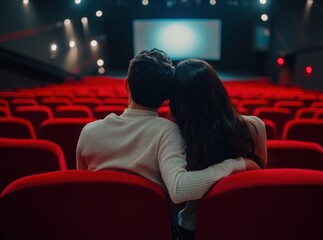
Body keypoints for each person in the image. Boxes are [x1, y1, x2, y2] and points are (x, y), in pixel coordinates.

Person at [76, 49, 260, 208]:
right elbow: (180, 190)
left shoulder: (89, 131)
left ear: (126, 85)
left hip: (97, 226)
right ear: (166, 96)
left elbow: (83, 190)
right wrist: (236, 164)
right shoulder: (168, 131)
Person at [169, 58, 267, 239]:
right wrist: (238, 164)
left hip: (194, 228)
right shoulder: (255, 127)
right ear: (218, 89)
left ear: (178, 102)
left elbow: (177, 196)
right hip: (241, 225)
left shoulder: (175, 134)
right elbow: (258, 183)